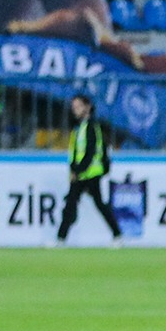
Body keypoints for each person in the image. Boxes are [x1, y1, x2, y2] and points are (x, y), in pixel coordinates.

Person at [57, 93, 122, 242]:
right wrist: (74, 168)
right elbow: (75, 151)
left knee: (80, 203)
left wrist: (77, 171)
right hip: (83, 173)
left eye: (78, 106)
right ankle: (61, 237)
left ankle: (61, 238)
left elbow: (91, 152)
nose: (75, 110)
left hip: (90, 173)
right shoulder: (80, 127)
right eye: (74, 107)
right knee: (75, 203)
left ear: (88, 107)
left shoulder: (91, 127)